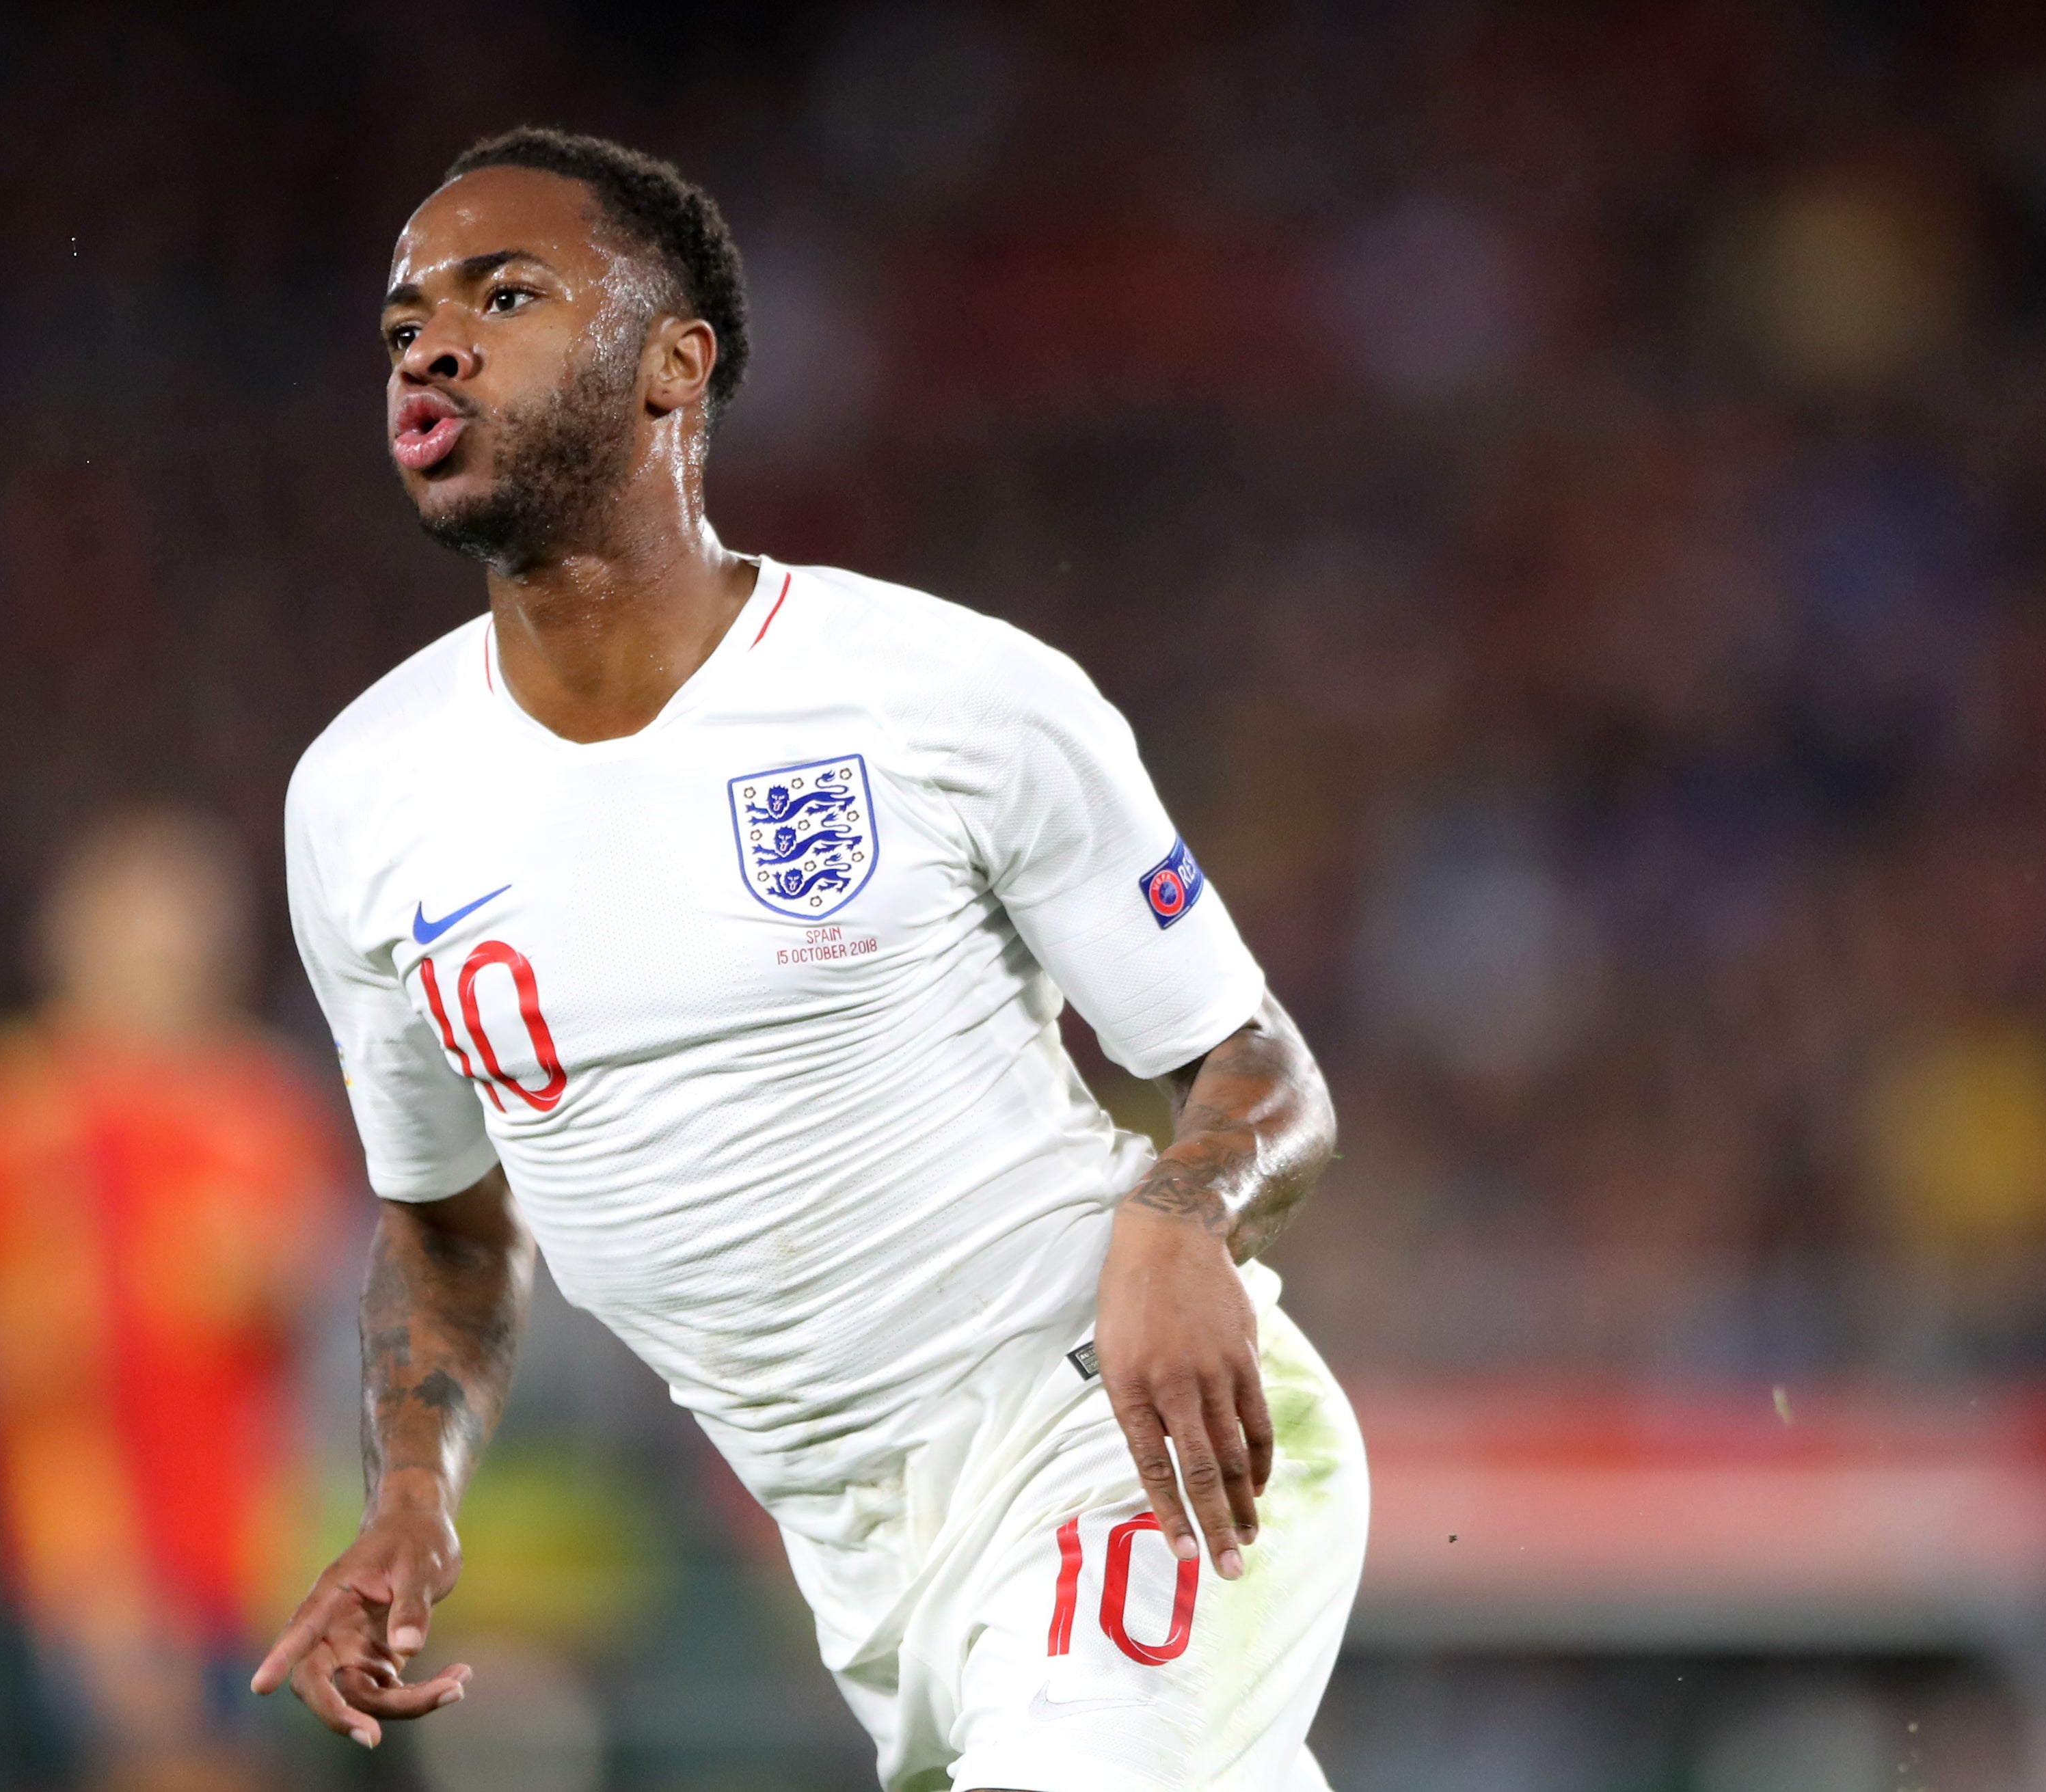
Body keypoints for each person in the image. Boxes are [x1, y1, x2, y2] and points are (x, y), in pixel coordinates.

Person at [260, 128, 1368, 1792]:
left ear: (671, 365)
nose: (429, 342)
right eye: (404, 318)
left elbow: (1254, 1067)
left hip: (1118, 1448)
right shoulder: (358, 801)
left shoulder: (948, 698)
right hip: (856, 1577)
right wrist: (410, 1507)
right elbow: (445, 1216)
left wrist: (1177, 1209)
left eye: (505, 294)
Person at [0, 808, 347, 1792]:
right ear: (74, 936)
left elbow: (322, 1292)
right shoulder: (12, 1100)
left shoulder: (264, 1103)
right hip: (89, 1531)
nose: (173, 953)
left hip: (255, 1534)